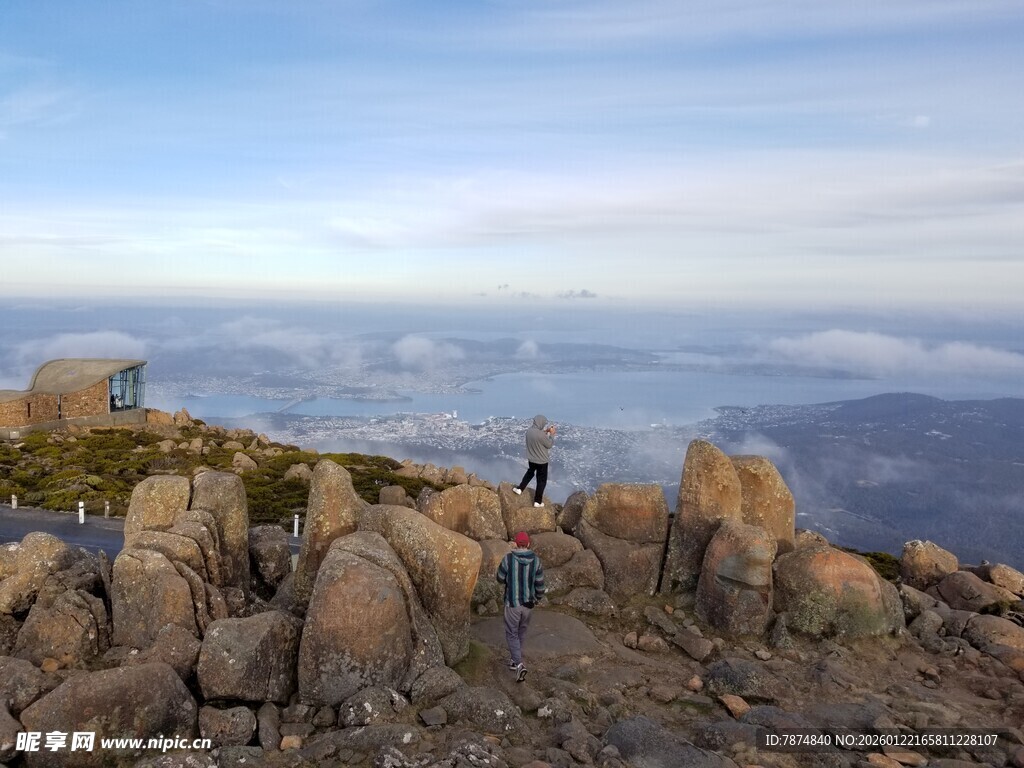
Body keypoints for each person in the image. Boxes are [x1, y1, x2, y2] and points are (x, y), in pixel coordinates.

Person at [496, 531, 545, 682]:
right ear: (528, 544)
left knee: (512, 633)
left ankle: (519, 665)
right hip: (528, 605)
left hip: (513, 603)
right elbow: (540, 585)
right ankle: (514, 660)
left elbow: (500, 578)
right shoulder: (536, 561)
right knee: (521, 632)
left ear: (516, 544)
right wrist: (537, 598)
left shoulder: (508, 559)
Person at [513, 414, 556, 507]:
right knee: (541, 481)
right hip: (542, 461)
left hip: (532, 459)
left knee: (530, 473)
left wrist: (546, 431)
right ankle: (537, 501)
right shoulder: (541, 435)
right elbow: (549, 445)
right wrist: (552, 434)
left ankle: (520, 489)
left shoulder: (529, 431)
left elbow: (537, 435)